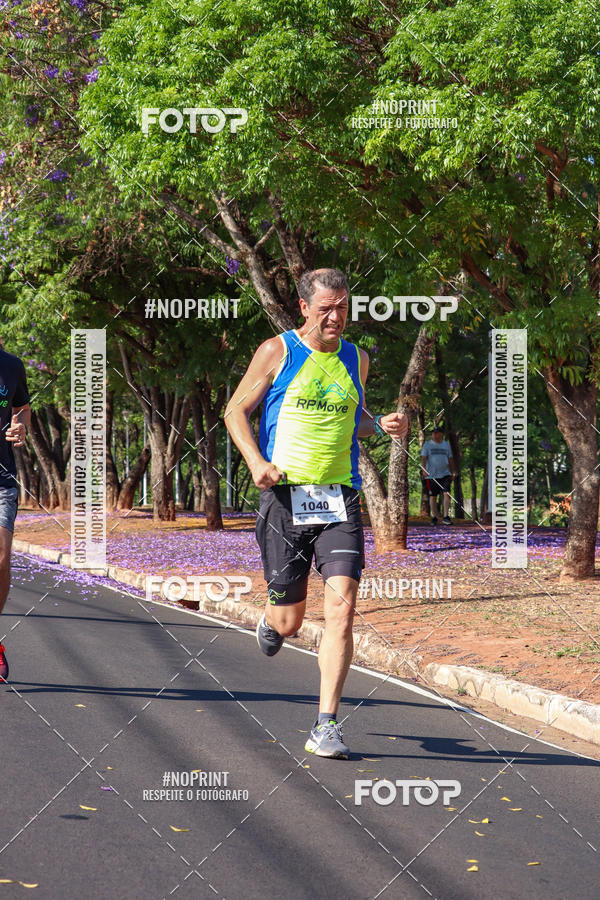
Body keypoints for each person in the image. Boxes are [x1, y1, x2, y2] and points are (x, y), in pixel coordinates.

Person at [225, 268, 408, 759]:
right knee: (289, 623)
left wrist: (382, 423)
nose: (335, 317)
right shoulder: (277, 352)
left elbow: (355, 423)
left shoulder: (357, 359)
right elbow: (234, 412)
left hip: (339, 498)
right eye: (325, 308)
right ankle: (272, 619)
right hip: (285, 497)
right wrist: (256, 461)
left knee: (343, 610)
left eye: (343, 307)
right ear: (303, 308)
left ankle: (326, 724)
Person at [0, 347, 31, 681]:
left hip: (1, 479)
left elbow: (22, 409)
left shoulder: (11, 366)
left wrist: (20, 427)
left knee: (1, 561)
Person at [421, 425, 454, 525]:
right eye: (433, 433)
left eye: (436, 433)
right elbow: (423, 458)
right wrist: (424, 470)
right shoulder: (427, 445)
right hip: (431, 476)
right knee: (433, 496)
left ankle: (445, 516)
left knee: (446, 493)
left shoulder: (446, 445)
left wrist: (452, 472)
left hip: (445, 474)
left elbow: (450, 459)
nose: (434, 435)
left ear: (441, 434)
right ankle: (435, 517)